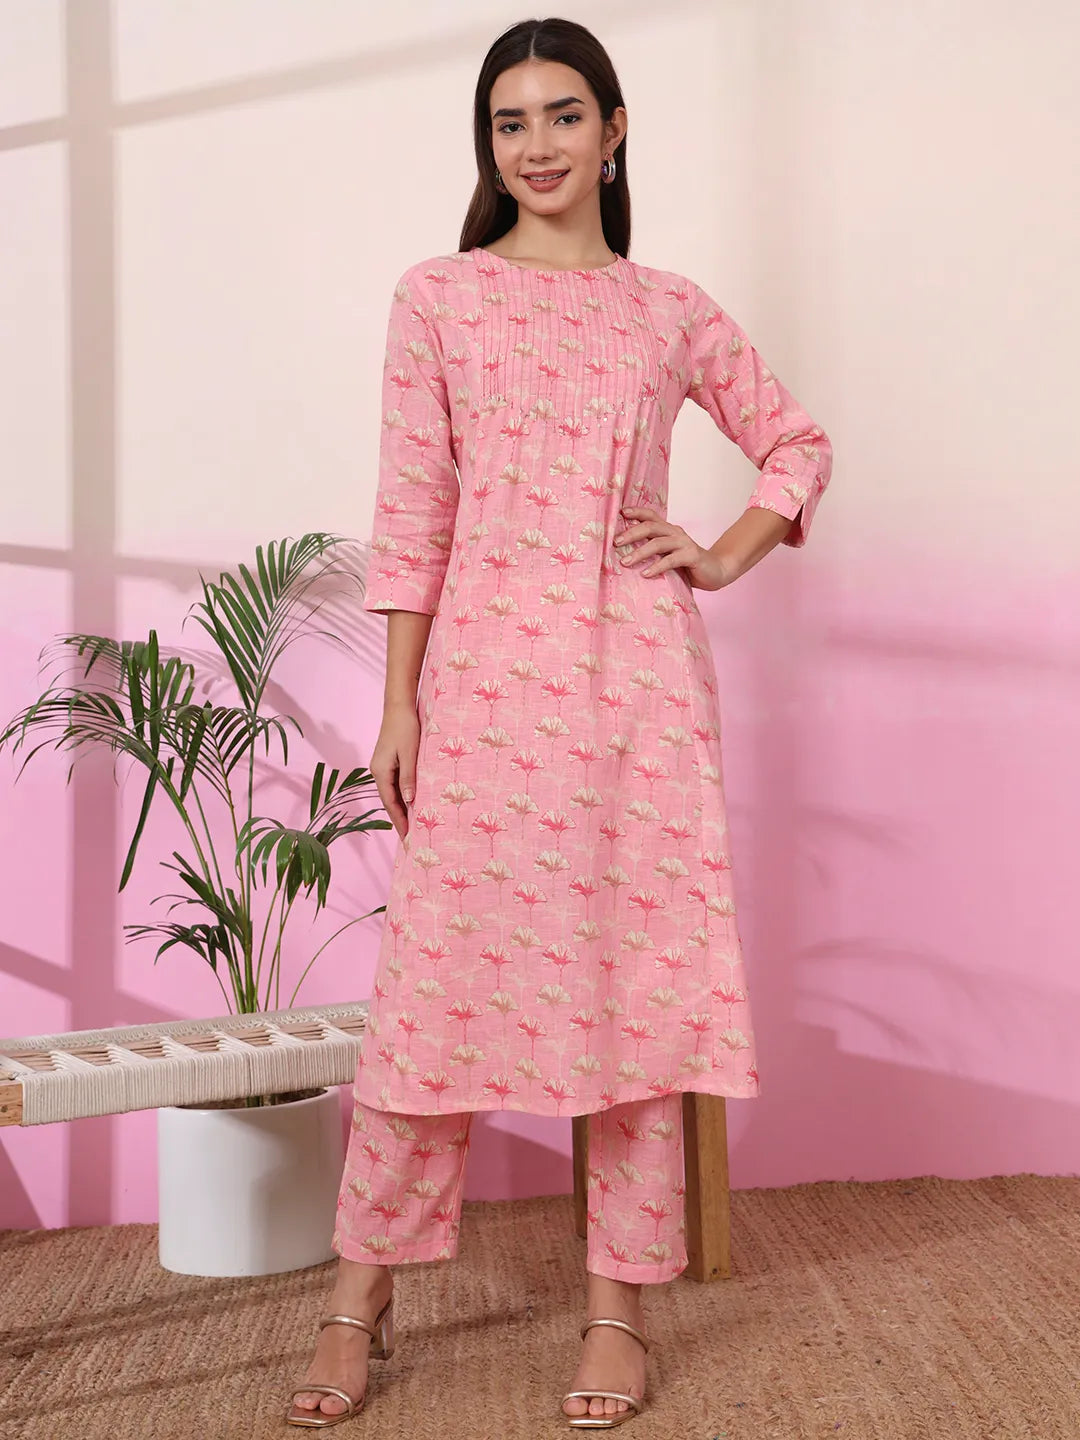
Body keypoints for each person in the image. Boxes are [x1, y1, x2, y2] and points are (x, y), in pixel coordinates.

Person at [288, 14, 832, 1431]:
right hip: (480, 689)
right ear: (490, 145)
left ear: (614, 130)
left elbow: (796, 442)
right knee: (433, 999)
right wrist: (399, 702)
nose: (536, 145)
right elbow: (414, 512)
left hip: (638, 692)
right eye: (510, 122)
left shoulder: (669, 309)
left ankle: (617, 1310)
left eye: (563, 115)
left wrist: (720, 554)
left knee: (634, 1000)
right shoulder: (440, 296)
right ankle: (358, 1295)